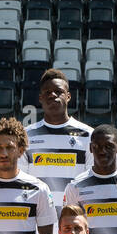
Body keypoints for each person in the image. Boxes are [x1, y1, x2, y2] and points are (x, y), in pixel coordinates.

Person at [23, 68, 93, 214]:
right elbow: (22, 181)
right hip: (38, 221)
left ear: (68, 96)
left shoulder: (88, 135)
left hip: (74, 221)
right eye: (47, 92)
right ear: (40, 98)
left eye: (58, 91)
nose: (53, 95)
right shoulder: (26, 135)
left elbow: (91, 182)